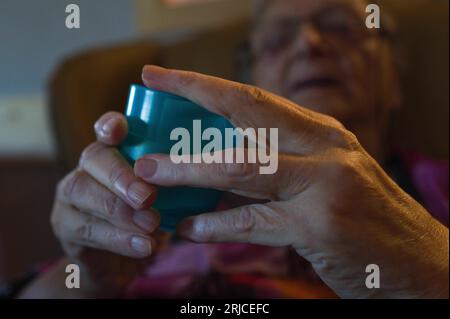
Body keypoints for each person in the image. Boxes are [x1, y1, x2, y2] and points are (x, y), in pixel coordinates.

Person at [19, 0, 448, 298]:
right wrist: (89, 279)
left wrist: (425, 272)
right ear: (252, 84)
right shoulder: (164, 191)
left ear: (393, 78)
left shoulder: (437, 189)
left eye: (341, 26)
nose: (309, 44)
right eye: (279, 39)